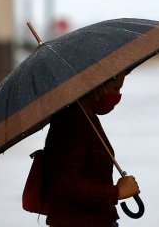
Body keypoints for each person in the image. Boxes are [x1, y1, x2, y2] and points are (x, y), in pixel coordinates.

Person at [42, 72, 140, 227]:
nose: (117, 96)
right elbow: (66, 184)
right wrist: (117, 192)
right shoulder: (71, 121)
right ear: (96, 85)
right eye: (115, 88)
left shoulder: (88, 117)